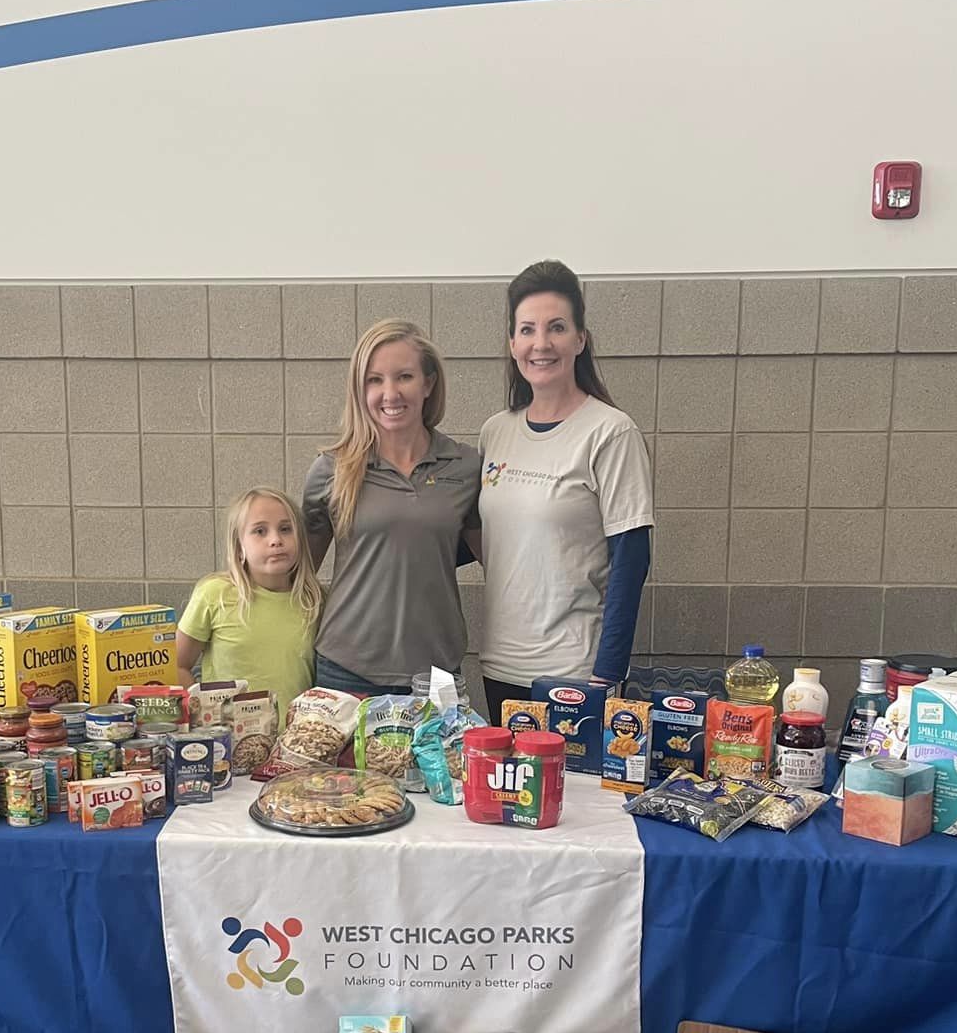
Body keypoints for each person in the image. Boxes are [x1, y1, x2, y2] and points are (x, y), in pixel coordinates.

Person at [475, 260, 655, 724]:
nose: (541, 343)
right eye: (527, 329)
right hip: (499, 664)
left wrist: (606, 675)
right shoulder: (496, 432)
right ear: (512, 342)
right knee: (509, 794)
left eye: (556, 328)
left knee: (569, 799)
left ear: (580, 339)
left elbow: (631, 559)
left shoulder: (610, 432)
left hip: (573, 672)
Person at [302, 319, 481, 695]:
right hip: (345, 671)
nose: (390, 393)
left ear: (428, 383)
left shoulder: (465, 467)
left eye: (404, 377)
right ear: (360, 388)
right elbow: (296, 577)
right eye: (374, 380)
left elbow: (504, 564)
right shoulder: (331, 469)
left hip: (435, 675)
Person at [176, 486, 322, 718]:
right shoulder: (215, 594)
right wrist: (201, 716)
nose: (275, 540)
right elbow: (177, 665)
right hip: (226, 741)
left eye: (285, 529)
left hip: (292, 744)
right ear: (239, 546)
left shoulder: (314, 601)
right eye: (260, 531)